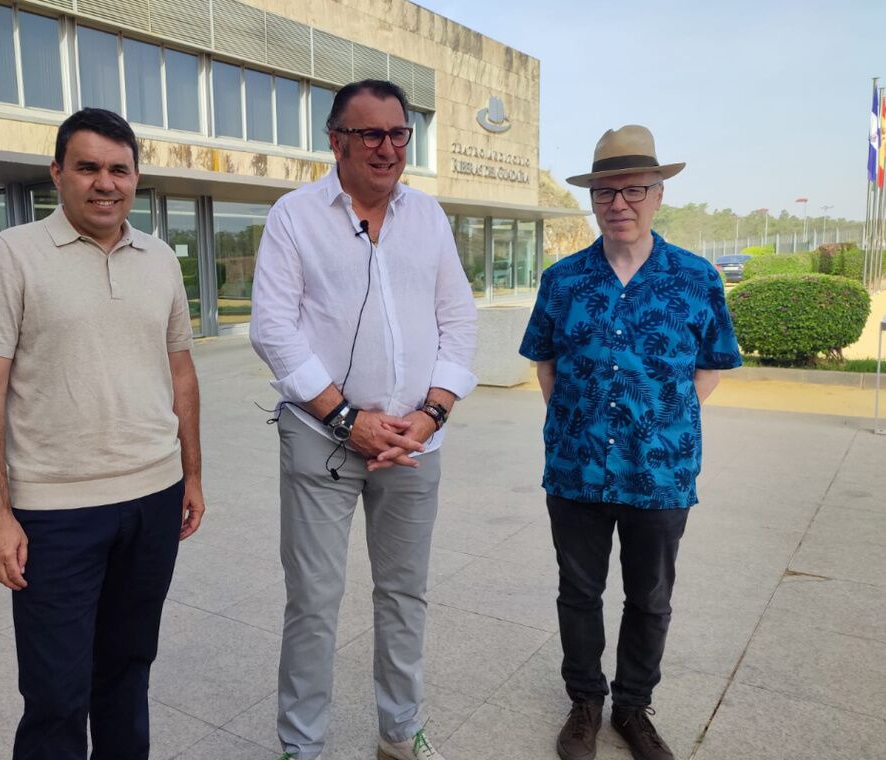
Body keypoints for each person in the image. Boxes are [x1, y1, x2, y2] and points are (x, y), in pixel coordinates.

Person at [0, 107, 204, 760]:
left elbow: (180, 373)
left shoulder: (159, 259)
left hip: (153, 500)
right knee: (56, 695)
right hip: (54, 512)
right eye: (88, 167)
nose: (105, 183)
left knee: (127, 674)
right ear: (57, 173)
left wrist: (193, 475)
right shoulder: (12, 256)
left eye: (119, 169)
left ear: (136, 177)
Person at [250, 79, 477, 760]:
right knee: (315, 601)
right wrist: (348, 418)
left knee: (405, 594)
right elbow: (273, 328)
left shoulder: (429, 217)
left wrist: (431, 414)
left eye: (399, 133)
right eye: (370, 133)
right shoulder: (295, 216)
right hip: (322, 436)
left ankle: (400, 734)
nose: (387, 147)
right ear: (336, 141)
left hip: (413, 444)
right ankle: (302, 747)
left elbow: (458, 321)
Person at [519, 125, 741, 760]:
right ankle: (585, 701)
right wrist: (584, 428)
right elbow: (547, 366)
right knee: (579, 593)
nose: (619, 203)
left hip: (660, 473)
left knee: (650, 597)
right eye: (605, 193)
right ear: (593, 199)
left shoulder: (696, 280)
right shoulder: (563, 281)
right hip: (575, 470)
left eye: (634, 189)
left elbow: (711, 365)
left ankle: (634, 708)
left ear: (658, 192)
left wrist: (659, 426)